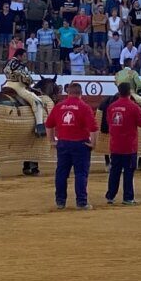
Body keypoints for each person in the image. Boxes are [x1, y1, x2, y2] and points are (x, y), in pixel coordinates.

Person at [46, 82, 97, 210]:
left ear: (68, 93)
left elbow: (48, 125)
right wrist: (93, 143)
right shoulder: (84, 107)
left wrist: (51, 140)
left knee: (61, 173)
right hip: (80, 144)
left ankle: (60, 202)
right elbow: (93, 128)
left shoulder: (59, 106)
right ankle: (81, 202)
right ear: (81, 93)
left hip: (63, 143)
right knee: (81, 173)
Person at [104, 82, 141, 206]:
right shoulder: (134, 107)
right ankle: (128, 197)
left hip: (115, 145)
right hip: (129, 146)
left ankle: (110, 196)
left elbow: (109, 122)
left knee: (114, 172)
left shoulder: (111, 107)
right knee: (128, 172)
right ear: (130, 92)